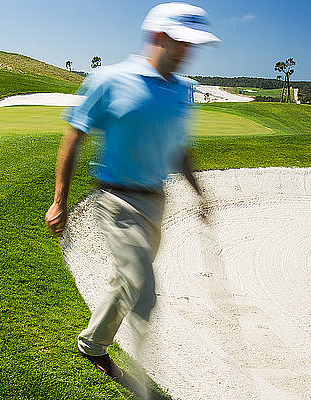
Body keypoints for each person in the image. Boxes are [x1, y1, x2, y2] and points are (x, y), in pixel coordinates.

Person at [45, 3, 219, 381]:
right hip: (115, 200)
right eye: (183, 42)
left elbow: (179, 147)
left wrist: (199, 192)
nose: (189, 51)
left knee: (126, 281)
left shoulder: (183, 91)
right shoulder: (110, 79)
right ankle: (142, 383)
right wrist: (59, 200)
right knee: (141, 282)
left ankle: (92, 344)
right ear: (159, 37)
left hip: (157, 201)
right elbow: (74, 134)